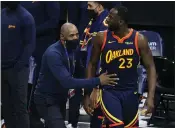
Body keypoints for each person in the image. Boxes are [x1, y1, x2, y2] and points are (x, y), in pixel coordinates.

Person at [34, 23, 118, 128]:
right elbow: (67, 82)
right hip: (46, 98)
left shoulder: (74, 50)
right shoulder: (53, 53)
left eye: (77, 35)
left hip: (61, 97)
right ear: (62, 36)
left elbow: (80, 73)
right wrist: (98, 80)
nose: (75, 38)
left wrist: (86, 95)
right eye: (71, 35)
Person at [84, 6, 157, 128]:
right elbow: (91, 64)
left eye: (111, 17)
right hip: (109, 91)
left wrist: (150, 97)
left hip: (130, 92)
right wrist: (87, 93)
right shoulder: (101, 38)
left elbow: (151, 68)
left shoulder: (139, 40)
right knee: (116, 125)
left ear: (121, 22)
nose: (107, 19)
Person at [20, 1, 60, 127]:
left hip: (42, 45)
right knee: (23, 82)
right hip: (23, 46)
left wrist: (32, 30)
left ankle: (37, 117)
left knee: (39, 82)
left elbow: (53, 21)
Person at [1, 1, 35, 128]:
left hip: (18, 70)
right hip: (2, 68)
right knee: (7, 106)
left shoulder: (26, 17)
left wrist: (18, 65)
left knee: (20, 107)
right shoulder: (2, 14)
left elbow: (30, 45)